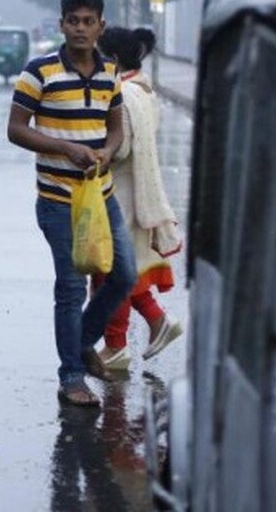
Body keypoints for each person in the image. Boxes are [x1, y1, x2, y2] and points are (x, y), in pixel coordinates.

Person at [6, 0, 138, 408]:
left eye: (88, 21)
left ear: (100, 25)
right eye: (73, 21)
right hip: (57, 197)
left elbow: (115, 128)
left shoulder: (109, 72)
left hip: (101, 196)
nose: (80, 28)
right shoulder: (38, 71)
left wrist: (107, 151)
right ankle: (72, 377)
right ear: (62, 24)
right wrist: (66, 148)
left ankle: (81, 342)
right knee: (70, 285)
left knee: (124, 276)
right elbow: (16, 128)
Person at [92, 27, 183, 372]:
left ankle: (115, 349)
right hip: (136, 193)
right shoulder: (143, 88)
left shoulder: (123, 94)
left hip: (120, 195)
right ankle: (158, 322)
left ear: (112, 58)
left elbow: (122, 147)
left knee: (114, 274)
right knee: (125, 272)